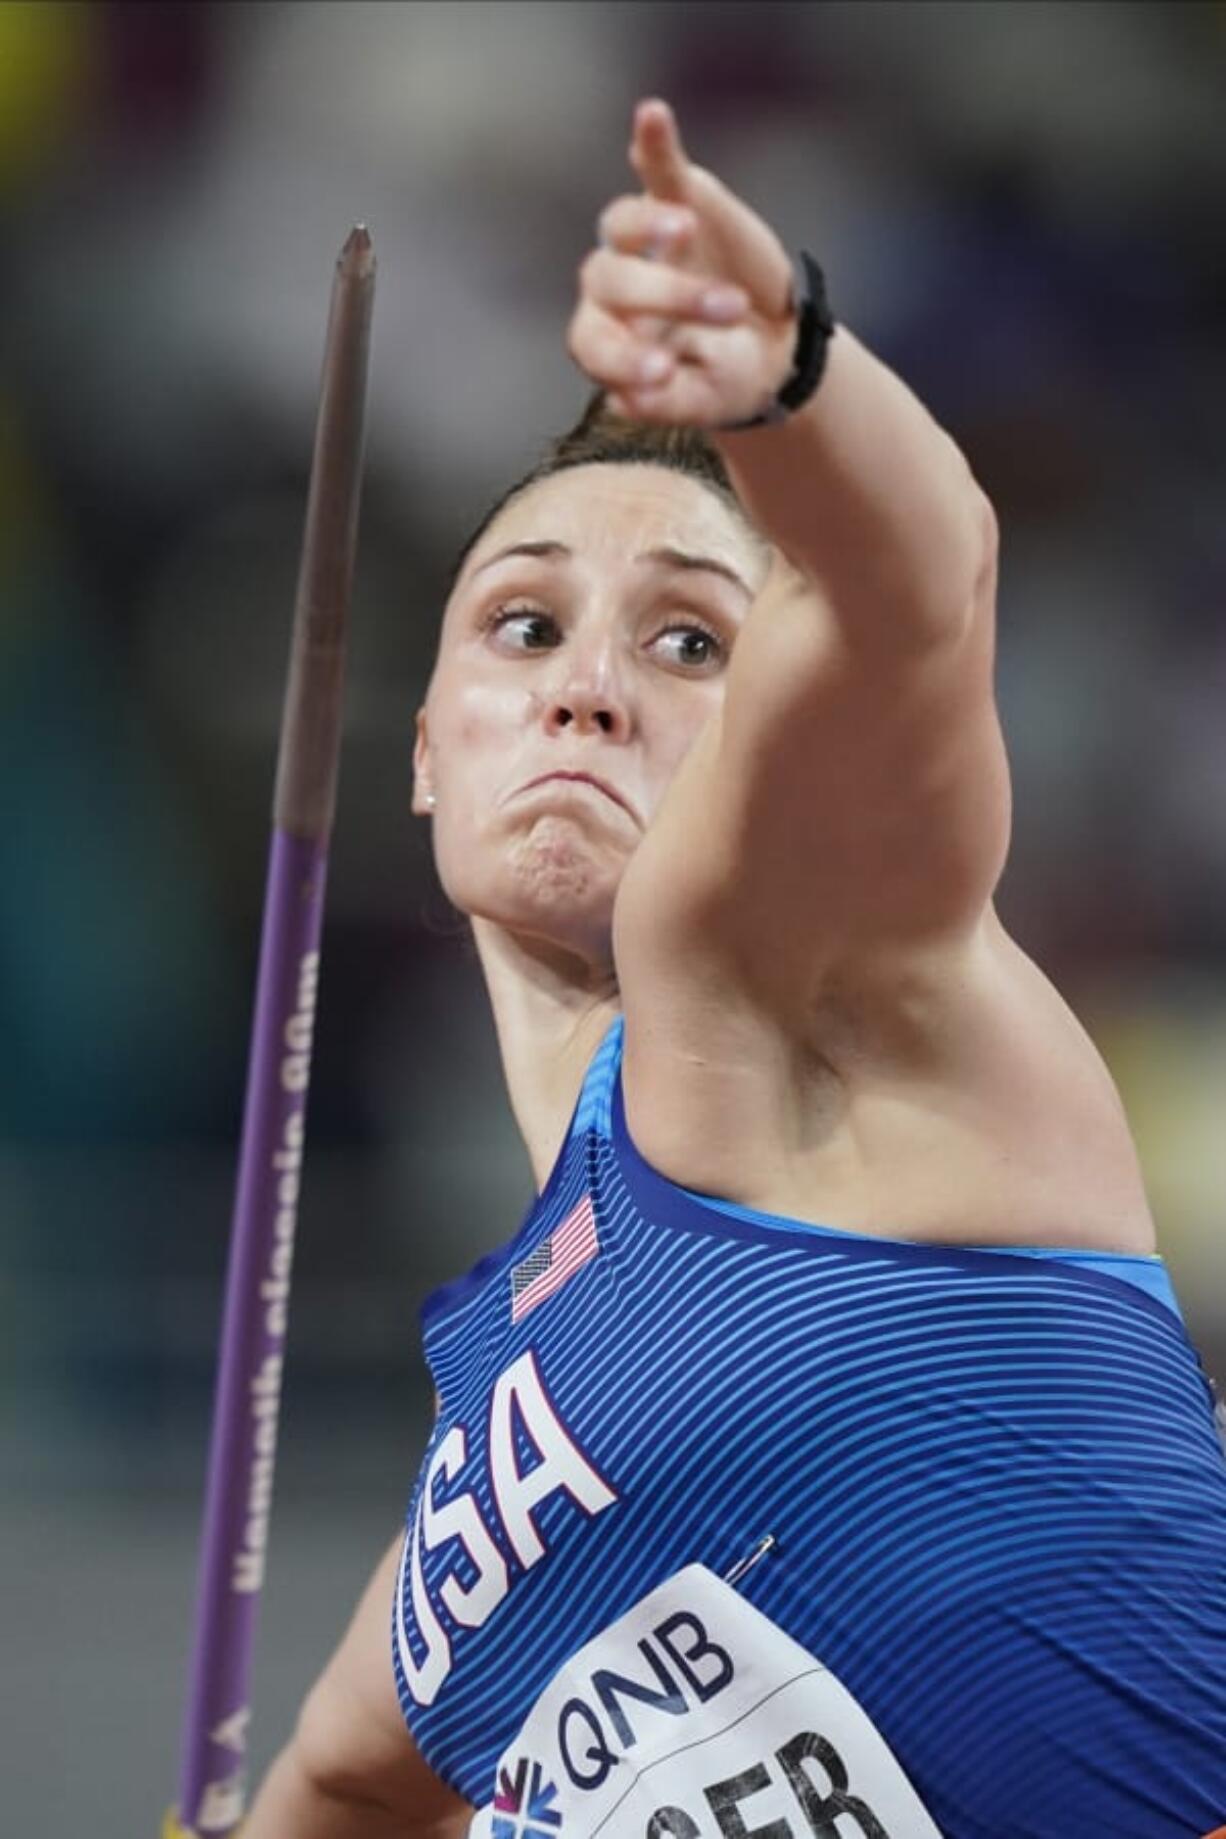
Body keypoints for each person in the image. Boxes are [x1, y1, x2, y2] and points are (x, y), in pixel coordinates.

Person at [242, 99, 1226, 1839]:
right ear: (420, 748)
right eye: (522, 624)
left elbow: (913, 581)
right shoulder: (482, 1482)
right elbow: (335, 1777)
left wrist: (789, 373)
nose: (584, 684)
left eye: (687, 635)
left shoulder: (795, 982)